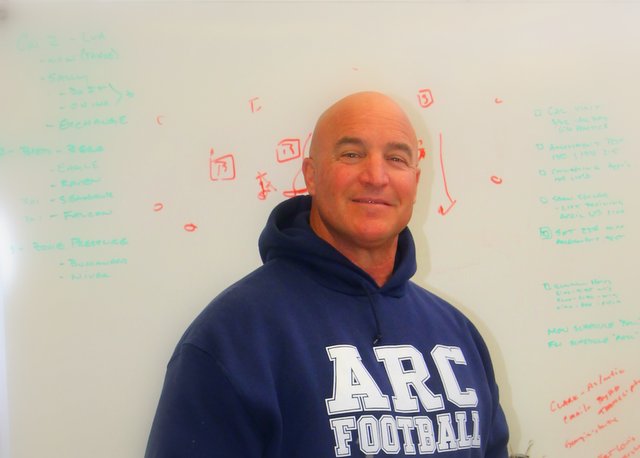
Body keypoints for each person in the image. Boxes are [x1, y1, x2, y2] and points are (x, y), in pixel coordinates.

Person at [145, 91, 510, 457]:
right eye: (352, 154)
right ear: (312, 175)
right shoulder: (233, 337)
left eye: (396, 158)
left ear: (415, 181)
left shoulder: (459, 337)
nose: (375, 176)